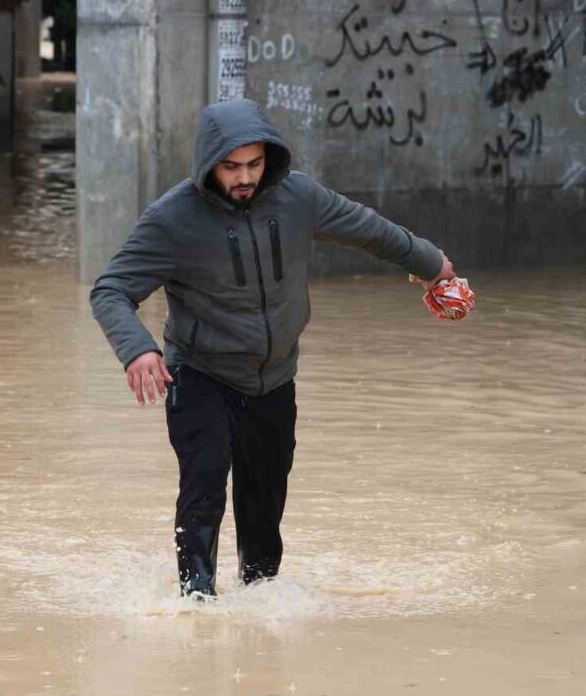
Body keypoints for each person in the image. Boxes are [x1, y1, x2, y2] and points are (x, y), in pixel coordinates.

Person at [90, 98, 455, 598]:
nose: (245, 177)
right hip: (200, 374)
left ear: (270, 158)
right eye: (232, 166)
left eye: (255, 164)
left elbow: (369, 229)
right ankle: (196, 603)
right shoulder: (172, 219)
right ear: (208, 164)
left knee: (264, 508)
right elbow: (110, 289)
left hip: (275, 378)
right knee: (205, 485)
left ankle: (260, 609)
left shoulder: (298, 197)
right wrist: (138, 350)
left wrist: (433, 265)